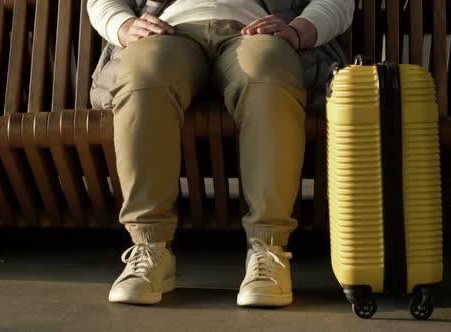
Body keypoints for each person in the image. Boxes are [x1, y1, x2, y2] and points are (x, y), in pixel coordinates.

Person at [87, 0, 354, 307]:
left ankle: (268, 250)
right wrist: (124, 26)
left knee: (268, 72)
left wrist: (298, 31)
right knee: (144, 75)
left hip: (259, 32)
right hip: (167, 32)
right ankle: (150, 247)